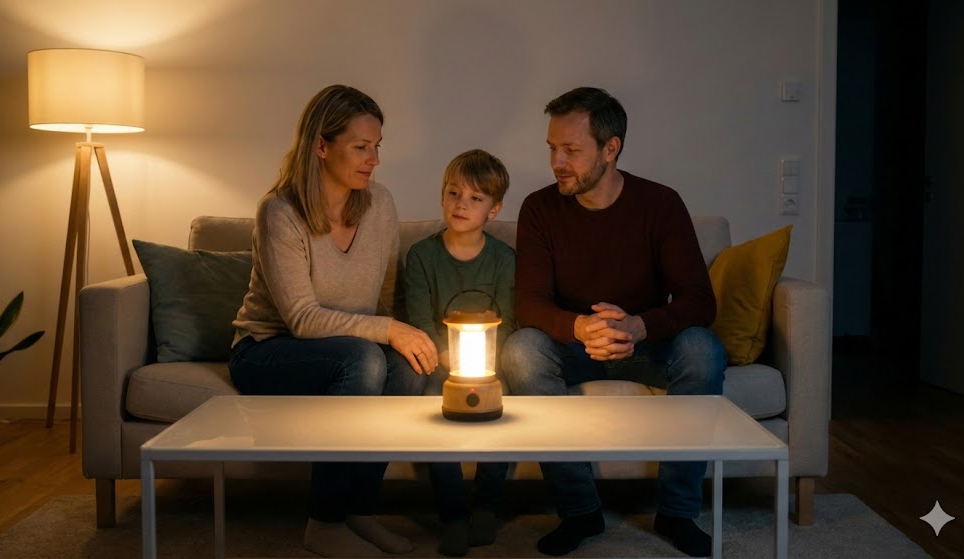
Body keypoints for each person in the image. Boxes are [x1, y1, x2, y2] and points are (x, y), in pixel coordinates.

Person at [499, 87, 726, 558]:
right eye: (552, 149)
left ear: (611, 148)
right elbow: (531, 304)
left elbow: (699, 301)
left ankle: (678, 512)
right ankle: (579, 511)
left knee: (703, 347)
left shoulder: (660, 204)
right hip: (575, 346)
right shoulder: (540, 208)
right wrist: (583, 328)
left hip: (647, 345)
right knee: (521, 349)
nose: (557, 161)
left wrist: (639, 326)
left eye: (571, 151)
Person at [228, 84, 438, 557]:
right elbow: (302, 319)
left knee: (408, 366)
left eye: (377, 146)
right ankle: (324, 523)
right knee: (363, 359)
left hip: (348, 349)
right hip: (267, 351)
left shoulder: (379, 203)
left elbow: (389, 299)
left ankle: (359, 513)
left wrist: (416, 338)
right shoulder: (279, 211)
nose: (374, 159)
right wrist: (388, 332)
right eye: (361, 147)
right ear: (321, 146)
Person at [404, 149, 516, 556]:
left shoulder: (505, 260)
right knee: (435, 403)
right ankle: (453, 512)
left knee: (502, 404)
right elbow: (419, 322)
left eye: (475, 198)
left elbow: (510, 324)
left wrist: (485, 365)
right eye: (453, 193)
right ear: (441, 196)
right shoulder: (421, 256)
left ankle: (487, 504)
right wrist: (449, 359)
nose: (461, 205)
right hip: (441, 360)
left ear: (494, 208)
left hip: (488, 361)